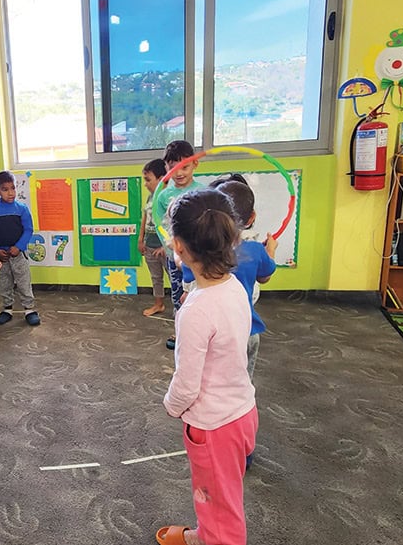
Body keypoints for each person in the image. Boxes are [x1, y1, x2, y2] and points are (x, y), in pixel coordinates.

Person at [159, 188, 258, 545]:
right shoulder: (233, 287)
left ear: (179, 248)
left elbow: (187, 384)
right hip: (242, 411)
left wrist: (170, 406)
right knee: (221, 494)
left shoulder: (195, 311)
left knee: (221, 505)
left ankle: (216, 538)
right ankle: (205, 535)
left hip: (214, 427)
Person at [181, 177, 278, 382]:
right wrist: (269, 251)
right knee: (242, 382)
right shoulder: (254, 250)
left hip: (214, 333)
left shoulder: (202, 253)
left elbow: (188, 277)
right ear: (251, 218)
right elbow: (265, 276)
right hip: (247, 330)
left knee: (212, 381)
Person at [153, 141, 202, 349]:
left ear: (195, 164)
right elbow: (160, 223)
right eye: (173, 167)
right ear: (167, 168)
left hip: (199, 255)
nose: (179, 173)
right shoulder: (164, 196)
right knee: (177, 293)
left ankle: (200, 330)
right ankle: (179, 331)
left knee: (199, 292)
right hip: (176, 255)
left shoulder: (202, 192)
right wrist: (169, 244)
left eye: (185, 166)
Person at [0, 171, 40, 326]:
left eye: (13, 188)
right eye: (5, 189)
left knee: (24, 281)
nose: (10, 193)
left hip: (19, 254)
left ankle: (29, 309)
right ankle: (7, 309)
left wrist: (19, 247)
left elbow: (28, 230)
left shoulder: (22, 209)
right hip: (3, 256)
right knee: (4, 283)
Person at [139, 158, 169, 316]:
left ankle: (181, 307)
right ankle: (159, 304)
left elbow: (173, 225)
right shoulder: (150, 197)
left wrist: (165, 247)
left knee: (175, 278)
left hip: (166, 249)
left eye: (148, 179)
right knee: (156, 277)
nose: (145, 184)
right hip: (149, 245)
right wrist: (141, 239)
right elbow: (145, 218)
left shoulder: (167, 198)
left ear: (161, 178)